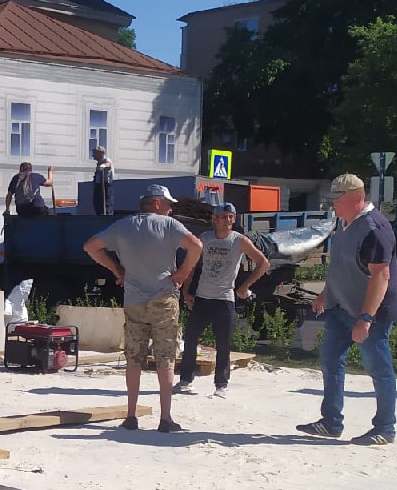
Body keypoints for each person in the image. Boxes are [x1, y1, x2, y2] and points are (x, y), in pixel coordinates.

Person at [84, 185, 204, 433]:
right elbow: (196, 246)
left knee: (134, 359)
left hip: (134, 299)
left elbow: (90, 247)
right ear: (158, 203)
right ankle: (165, 418)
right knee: (166, 359)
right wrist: (182, 273)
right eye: (169, 205)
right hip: (164, 299)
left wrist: (117, 270)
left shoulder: (123, 225)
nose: (171, 209)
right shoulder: (168, 225)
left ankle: (130, 416)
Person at [298, 173, 397, 445]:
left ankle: (385, 428)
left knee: (378, 369)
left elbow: (381, 277)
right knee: (331, 362)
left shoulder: (375, 229)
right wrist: (325, 293)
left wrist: (366, 319)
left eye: (337, 199)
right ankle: (331, 422)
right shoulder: (343, 223)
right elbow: (342, 267)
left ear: (357, 197)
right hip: (339, 307)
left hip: (370, 314)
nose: (333, 204)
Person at [177, 202, 271, 398]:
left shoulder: (240, 241)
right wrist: (186, 291)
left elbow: (263, 263)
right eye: (223, 216)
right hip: (202, 297)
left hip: (224, 298)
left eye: (230, 216)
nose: (227, 220)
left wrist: (245, 286)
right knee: (191, 338)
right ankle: (185, 380)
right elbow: (191, 266)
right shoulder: (205, 238)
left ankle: (221, 384)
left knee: (223, 343)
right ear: (215, 219)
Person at [91, 147, 114, 215]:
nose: (93, 155)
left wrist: (103, 166)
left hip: (105, 185)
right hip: (98, 186)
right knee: (97, 204)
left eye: (95, 153)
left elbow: (108, 164)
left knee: (106, 203)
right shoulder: (98, 163)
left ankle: (106, 217)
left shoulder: (106, 160)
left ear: (101, 153)